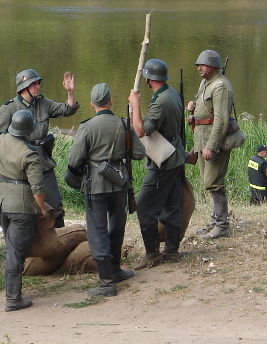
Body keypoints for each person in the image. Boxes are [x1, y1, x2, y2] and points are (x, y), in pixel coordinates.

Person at [67, 83, 145, 296]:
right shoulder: (123, 124)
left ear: (92, 104)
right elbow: (139, 153)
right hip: (119, 183)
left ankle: (107, 281)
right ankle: (115, 269)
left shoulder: (87, 127)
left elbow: (73, 160)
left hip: (96, 185)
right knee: (117, 225)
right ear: (110, 102)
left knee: (97, 230)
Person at [0, 69, 79, 228]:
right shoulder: (9, 108)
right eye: (33, 84)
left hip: (43, 162)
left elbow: (68, 109)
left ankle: (59, 237)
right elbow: (1, 142)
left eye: (37, 83)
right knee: (25, 209)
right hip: (19, 164)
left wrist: (70, 92)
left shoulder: (43, 103)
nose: (38, 86)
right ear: (23, 87)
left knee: (55, 205)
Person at [128, 59, 187, 268]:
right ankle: (171, 251)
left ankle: (153, 254)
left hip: (164, 161)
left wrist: (135, 104)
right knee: (171, 206)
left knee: (144, 207)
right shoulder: (172, 94)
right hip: (175, 156)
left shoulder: (161, 101)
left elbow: (140, 130)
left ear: (149, 78)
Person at [0, 110, 48, 311]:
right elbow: (37, 186)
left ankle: (11, 292)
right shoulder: (29, 153)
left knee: (10, 248)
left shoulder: (0, 140)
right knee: (15, 252)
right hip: (21, 206)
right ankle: (12, 299)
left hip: (1, 201)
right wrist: (41, 208)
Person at [186, 50, 235, 239]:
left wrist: (211, 146)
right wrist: (192, 106)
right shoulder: (206, 83)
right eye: (198, 65)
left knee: (214, 182)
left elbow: (221, 120)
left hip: (213, 141)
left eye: (202, 65)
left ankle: (222, 225)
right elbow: (205, 107)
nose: (199, 68)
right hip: (202, 138)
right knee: (208, 182)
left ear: (213, 66)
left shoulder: (221, 87)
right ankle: (214, 222)